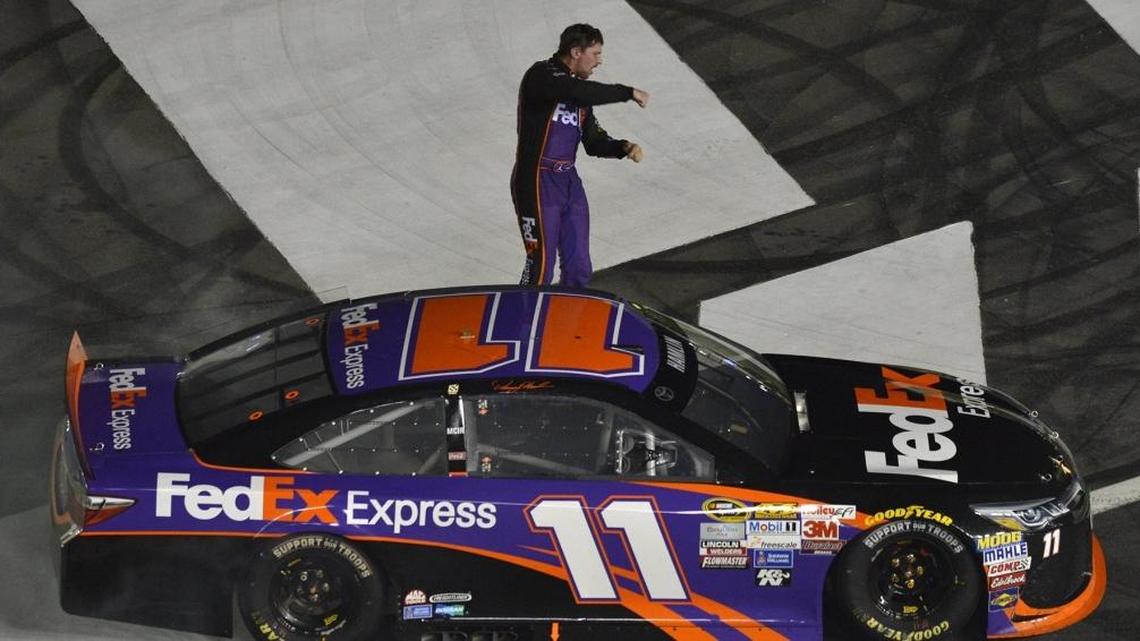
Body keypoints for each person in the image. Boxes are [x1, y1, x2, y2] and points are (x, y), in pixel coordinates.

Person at [511, 23, 649, 288]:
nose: (599, 60)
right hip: (537, 180)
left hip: (569, 183)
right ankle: (523, 324)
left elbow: (594, 141)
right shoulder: (542, 75)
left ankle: (565, 324)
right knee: (540, 267)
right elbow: (574, 91)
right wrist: (627, 92)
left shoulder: (579, 93)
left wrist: (622, 147)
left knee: (579, 267)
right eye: (595, 54)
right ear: (576, 52)